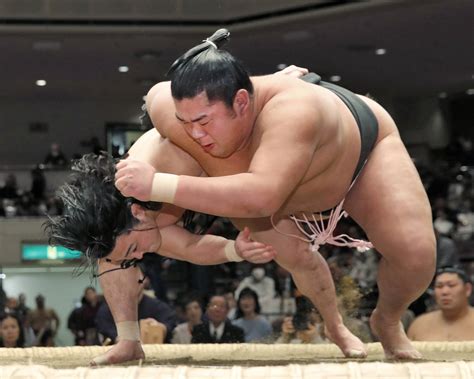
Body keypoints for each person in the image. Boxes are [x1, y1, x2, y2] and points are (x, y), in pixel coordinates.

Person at [114, 29, 435, 360]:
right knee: (296, 257)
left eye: (204, 121)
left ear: (241, 102)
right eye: (185, 122)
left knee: (416, 256)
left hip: (358, 162)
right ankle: (336, 325)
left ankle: (388, 319)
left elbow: (261, 198)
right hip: (252, 182)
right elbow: (156, 94)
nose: (195, 133)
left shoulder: (294, 110)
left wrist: (157, 184)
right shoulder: (170, 109)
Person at [45, 153, 276, 364]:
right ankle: (128, 342)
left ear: (137, 212)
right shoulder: (142, 220)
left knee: (297, 256)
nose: (139, 257)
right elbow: (191, 247)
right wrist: (236, 249)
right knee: (110, 257)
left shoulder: (162, 163)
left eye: (134, 247)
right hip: (194, 195)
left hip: (237, 168)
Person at [407, 267, 474, 341]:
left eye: (451, 285)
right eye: (439, 286)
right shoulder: (418, 325)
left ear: (468, 289)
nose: (444, 292)